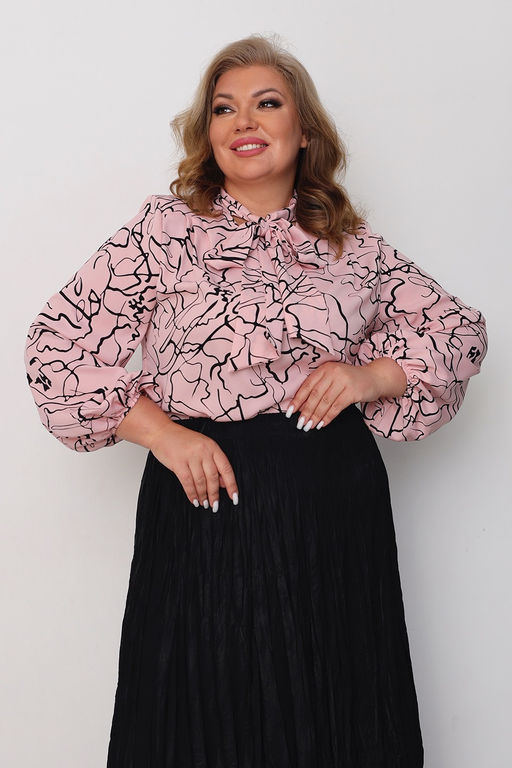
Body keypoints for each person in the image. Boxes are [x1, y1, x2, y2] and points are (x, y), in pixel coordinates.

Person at [24, 33, 487, 768]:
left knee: (332, 710)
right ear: (208, 134)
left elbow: (459, 331)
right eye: (223, 108)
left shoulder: (350, 243)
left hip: (330, 510)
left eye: (267, 103)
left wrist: (371, 377)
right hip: (205, 501)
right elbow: (56, 347)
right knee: (200, 709)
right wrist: (164, 435)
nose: (243, 121)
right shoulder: (163, 231)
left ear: (304, 132)